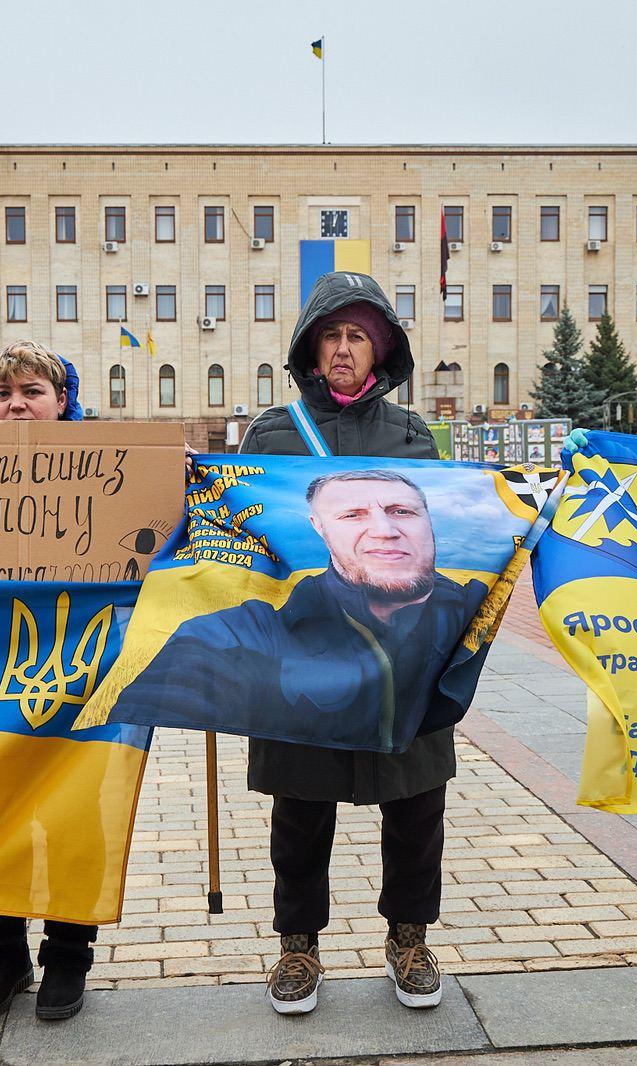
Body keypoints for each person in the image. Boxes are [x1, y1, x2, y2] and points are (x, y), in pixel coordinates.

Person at [237, 271, 448, 1015]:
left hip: (404, 651)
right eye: (331, 334)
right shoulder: (271, 433)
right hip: (304, 655)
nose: (344, 349)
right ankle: (298, 948)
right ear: (309, 345)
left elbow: (446, 531)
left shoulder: (413, 437)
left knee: (417, 807)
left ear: (382, 348)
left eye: (359, 335)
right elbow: (235, 541)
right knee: (300, 811)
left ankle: (409, 938)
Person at [111, 470, 489, 752]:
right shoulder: (257, 628)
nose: (384, 529)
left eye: (402, 511)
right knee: (300, 843)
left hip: (420, 764)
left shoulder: (472, 606)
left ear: (429, 520)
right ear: (319, 529)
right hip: (303, 768)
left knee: (418, 844)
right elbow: (177, 677)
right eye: (353, 515)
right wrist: (172, 473)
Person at [0, 340, 101, 1023]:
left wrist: (180, 488)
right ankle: (4, 952)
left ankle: (69, 953)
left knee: (73, 814)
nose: (15, 404)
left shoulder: (108, 471)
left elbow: (156, 547)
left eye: (31, 392)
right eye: (2, 394)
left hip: (80, 672)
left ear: (63, 400)